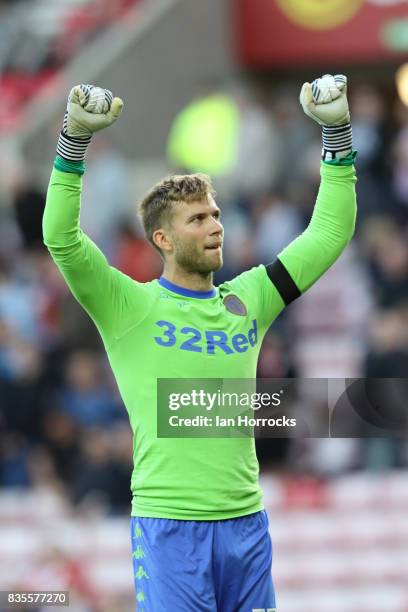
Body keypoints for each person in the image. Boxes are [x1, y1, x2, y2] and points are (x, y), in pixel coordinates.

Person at [43, 76, 357, 611]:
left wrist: (337, 136)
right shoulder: (130, 306)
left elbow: (329, 232)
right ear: (162, 239)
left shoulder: (250, 298)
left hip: (246, 526)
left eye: (214, 214)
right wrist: (73, 145)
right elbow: (62, 240)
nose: (215, 226)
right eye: (197, 219)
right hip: (169, 529)